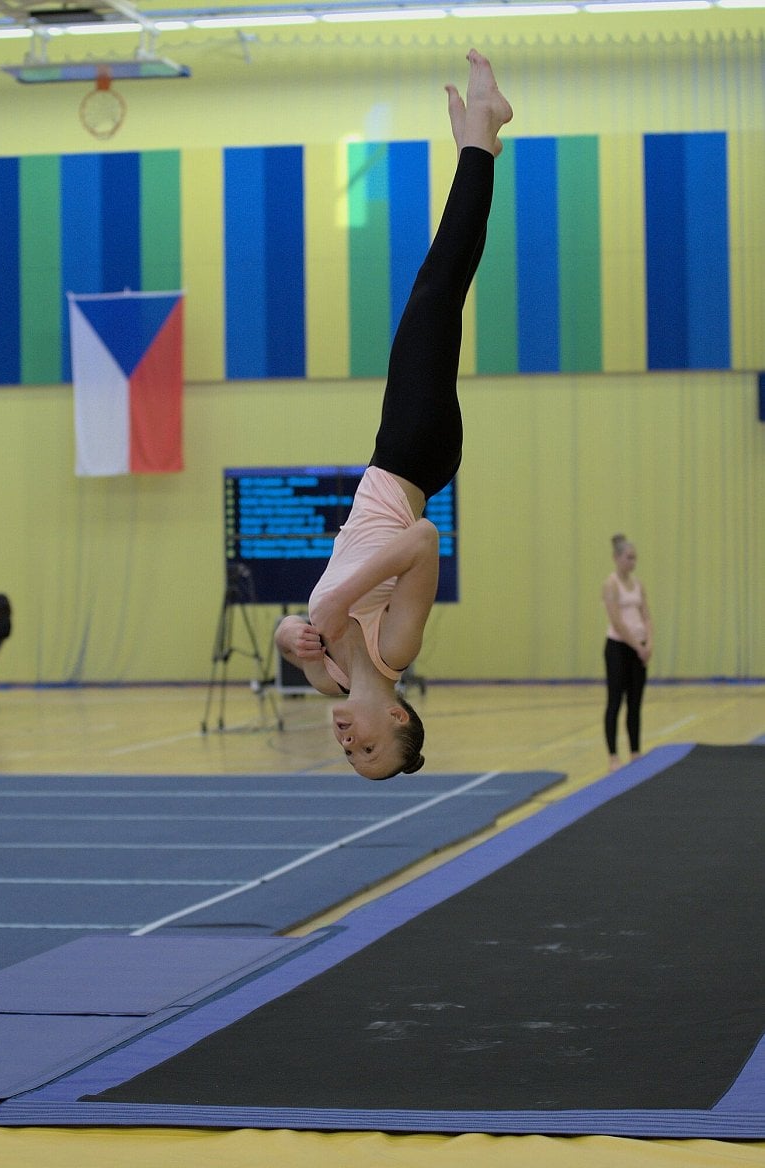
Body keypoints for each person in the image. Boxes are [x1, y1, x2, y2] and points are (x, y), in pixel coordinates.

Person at [275, 49, 513, 780]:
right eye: (370, 745)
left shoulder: (331, 680)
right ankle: (481, 132)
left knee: (437, 288)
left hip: (393, 454)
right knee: (437, 288)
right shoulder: (393, 650)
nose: (349, 740)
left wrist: (296, 636)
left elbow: (292, 630)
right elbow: (420, 537)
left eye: (349, 753)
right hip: (415, 457)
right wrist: (341, 601)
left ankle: (478, 144)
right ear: (399, 717)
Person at [602, 534, 653, 771]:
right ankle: (613, 755)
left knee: (635, 702)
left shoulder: (638, 584)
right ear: (617, 558)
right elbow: (617, 621)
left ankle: (635, 750)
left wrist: (648, 643)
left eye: (635, 558)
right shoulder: (611, 584)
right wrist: (637, 645)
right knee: (615, 701)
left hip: (639, 650)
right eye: (628, 558)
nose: (632, 563)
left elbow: (646, 615)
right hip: (618, 648)